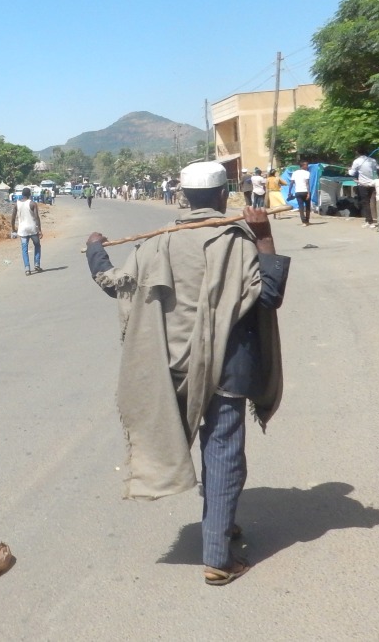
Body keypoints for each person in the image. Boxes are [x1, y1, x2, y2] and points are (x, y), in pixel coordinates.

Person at [84, 160, 289, 586]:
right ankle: (218, 554)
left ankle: (220, 523)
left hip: (172, 368)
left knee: (214, 452)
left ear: (183, 198)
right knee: (224, 452)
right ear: (221, 197)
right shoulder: (240, 241)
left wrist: (94, 249)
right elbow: (269, 296)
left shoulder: (157, 245)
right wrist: (266, 237)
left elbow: (111, 282)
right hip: (230, 369)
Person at [10, 186, 42, 275]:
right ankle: (37, 264)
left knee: (24, 249)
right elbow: (36, 217)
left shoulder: (17, 204)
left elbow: (12, 218)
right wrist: (39, 230)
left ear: (22, 194)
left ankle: (27, 269)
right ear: (30, 194)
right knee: (37, 246)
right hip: (32, 229)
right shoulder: (33, 203)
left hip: (22, 230)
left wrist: (13, 229)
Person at [349, 146, 379, 228]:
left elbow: (351, 173)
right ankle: (368, 220)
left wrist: (349, 170)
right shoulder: (372, 160)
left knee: (365, 202)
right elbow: (378, 169)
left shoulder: (357, 161)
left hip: (363, 185)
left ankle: (370, 221)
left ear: (357, 152)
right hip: (372, 184)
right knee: (370, 202)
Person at [289, 159, 312, 226]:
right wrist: (309, 193)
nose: (307, 166)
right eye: (306, 165)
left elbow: (291, 183)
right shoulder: (307, 173)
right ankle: (307, 221)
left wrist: (289, 192)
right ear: (303, 166)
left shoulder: (295, 172)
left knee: (301, 207)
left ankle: (303, 222)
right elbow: (307, 183)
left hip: (298, 192)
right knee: (308, 207)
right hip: (305, 191)